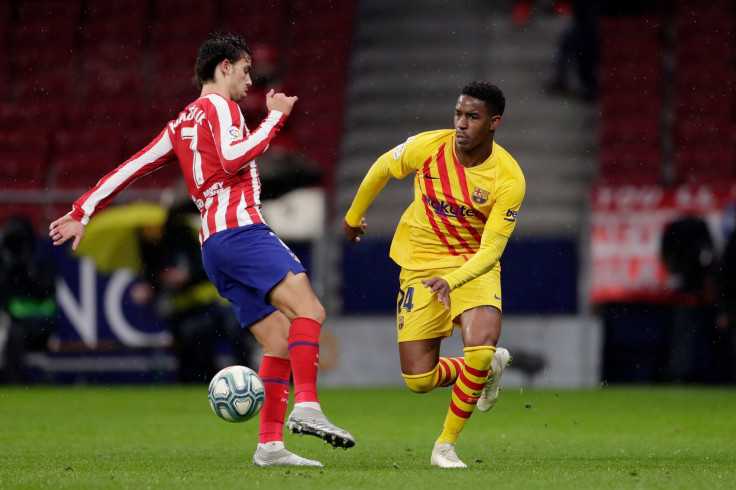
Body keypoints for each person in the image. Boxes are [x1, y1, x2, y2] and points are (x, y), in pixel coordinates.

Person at [49, 32, 354, 467]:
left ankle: (269, 446)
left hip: (213, 246)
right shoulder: (219, 107)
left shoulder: (181, 123)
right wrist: (274, 119)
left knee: (278, 341)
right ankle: (307, 406)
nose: (251, 81)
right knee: (310, 311)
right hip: (243, 232)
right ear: (224, 67)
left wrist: (84, 209)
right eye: (246, 70)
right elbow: (232, 158)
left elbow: (131, 166)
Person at [342, 81, 525, 468]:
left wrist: (454, 280)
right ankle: (486, 367)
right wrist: (353, 217)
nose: (461, 124)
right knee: (419, 381)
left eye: (472, 117)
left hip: (472, 266)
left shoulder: (508, 179)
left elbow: (491, 251)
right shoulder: (428, 146)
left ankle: (445, 446)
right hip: (420, 266)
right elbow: (381, 168)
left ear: (494, 123)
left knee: (480, 342)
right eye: (458, 114)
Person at [0, 215, 57, 384]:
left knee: (15, 333)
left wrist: (27, 271)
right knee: (11, 331)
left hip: (39, 324)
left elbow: (45, 292)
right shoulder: (5, 262)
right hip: (10, 322)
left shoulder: (41, 262)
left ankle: (14, 381)